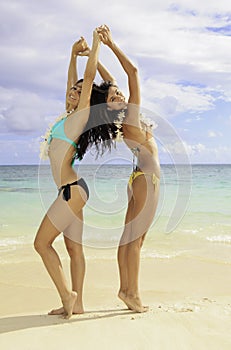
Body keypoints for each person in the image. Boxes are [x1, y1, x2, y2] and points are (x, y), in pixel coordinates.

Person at [34, 29, 117, 319]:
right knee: (73, 248)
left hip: (72, 190)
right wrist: (72, 54)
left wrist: (95, 45)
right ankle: (78, 303)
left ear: (86, 100)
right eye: (73, 90)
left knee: (41, 244)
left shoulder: (81, 116)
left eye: (80, 91)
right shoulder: (68, 117)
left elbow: (90, 76)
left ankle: (68, 295)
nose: (74, 91)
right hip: (72, 191)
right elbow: (73, 81)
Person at [96, 25, 160, 312]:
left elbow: (110, 86)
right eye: (114, 97)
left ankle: (126, 289)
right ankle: (132, 293)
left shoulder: (119, 119)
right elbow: (133, 73)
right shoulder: (129, 116)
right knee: (136, 239)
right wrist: (110, 44)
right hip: (147, 178)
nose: (119, 95)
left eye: (119, 93)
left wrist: (94, 57)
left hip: (136, 179)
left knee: (128, 238)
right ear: (108, 107)